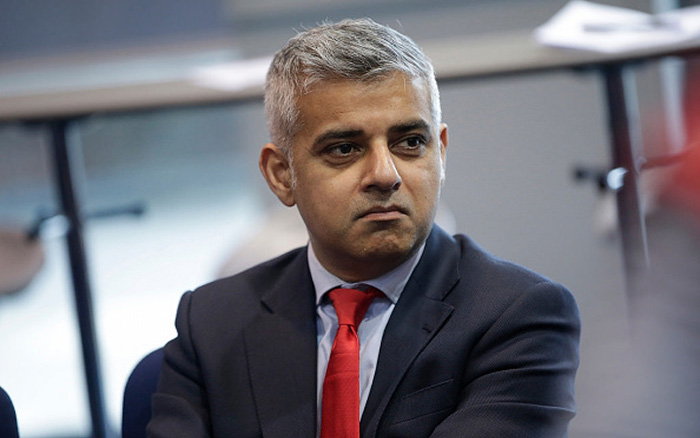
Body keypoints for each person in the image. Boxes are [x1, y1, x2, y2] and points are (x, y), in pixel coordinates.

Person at [147, 18, 580, 438]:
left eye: (410, 142)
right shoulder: (212, 321)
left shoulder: (519, 316)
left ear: (441, 152)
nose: (385, 175)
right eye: (344, 149)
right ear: (281, 174)